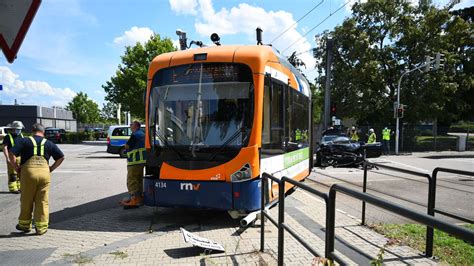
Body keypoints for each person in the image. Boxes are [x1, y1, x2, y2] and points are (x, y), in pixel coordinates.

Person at [9, 123, 64, 235]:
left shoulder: (24, 141)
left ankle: (24, 225)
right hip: (44, 174)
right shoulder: (49, 143)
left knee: (26, 199)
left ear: (32, 131)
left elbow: (11, 153)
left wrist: (17, 168)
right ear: (43, 132)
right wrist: (51, 169)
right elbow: (61, 157)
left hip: (28, 173)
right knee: (42, 201)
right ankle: (41, 227)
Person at [120, 121, 146, 209]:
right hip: (141, 161)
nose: (130, 126)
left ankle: (134, 199)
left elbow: (127, 146)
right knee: (139, 180)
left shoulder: (135, 135)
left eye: (131, 125)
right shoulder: (142, 134)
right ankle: (139, 198)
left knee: (131, 180)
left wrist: (126, 145)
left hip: (134, 161)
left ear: (135, 126)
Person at [3, 121, 25, 193]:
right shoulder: (8, 136)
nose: (19, 130)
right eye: (18, 129)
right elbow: (5, 147)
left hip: (20, 157)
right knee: (12, 174)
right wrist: (7, 158)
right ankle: (13, 188)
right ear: (13, 129)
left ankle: (20, 187)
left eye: (20, 129)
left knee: (20, 173)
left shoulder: (21, 135)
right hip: (11, 157)